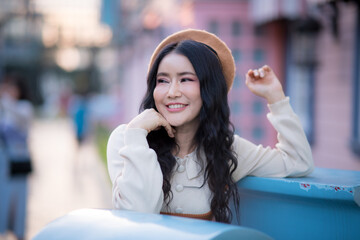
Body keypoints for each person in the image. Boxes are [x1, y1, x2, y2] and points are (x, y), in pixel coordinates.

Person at [107, 29, 314, 223]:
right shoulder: (127, 140)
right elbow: (136, 220)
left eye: (185, 79)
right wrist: (136, 135)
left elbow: (298, 161)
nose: (172, 92)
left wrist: (275, 97)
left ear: (208, 89)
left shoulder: (225, 149)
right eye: (162, 81)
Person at [0, 74, 33, 240]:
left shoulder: (24, 107)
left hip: (19, 162)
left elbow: (20, 117)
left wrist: (5, 100)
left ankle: (19, 233)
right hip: (4, 163)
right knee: (3, 199)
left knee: (19, 201)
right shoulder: (5, 111)